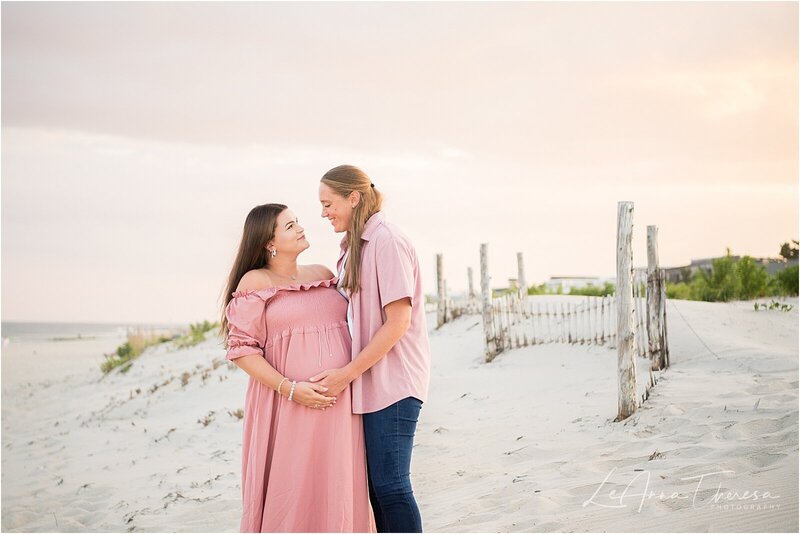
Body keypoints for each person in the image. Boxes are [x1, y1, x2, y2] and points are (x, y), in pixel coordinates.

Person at [221, 203, 375, 533]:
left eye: (297, 222)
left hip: (339, 404)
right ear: (268, 242)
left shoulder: (323, 274)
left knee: (337, 484)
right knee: (292, 487)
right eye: (290, 226)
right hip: (288, 404)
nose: (301, 228)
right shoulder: (256, 281)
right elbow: (242, 350)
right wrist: (291, 389)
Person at [311, 165, 432, 533]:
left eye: (328, 203)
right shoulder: (354, 246)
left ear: (354, 197)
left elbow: (398, 322)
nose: (323, 213)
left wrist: (345, 374)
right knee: (378, 490)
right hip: (370, 383)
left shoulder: (387, 241)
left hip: (394, 382)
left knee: (392, 486)